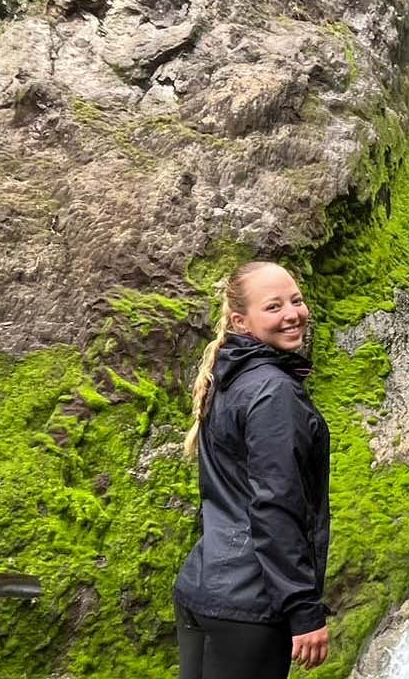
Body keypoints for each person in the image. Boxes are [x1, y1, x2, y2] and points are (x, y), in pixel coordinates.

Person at [173, 261, 332, 678]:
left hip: (203, 586)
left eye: (296, 300)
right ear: (241, 321)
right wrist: (303, 610)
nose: (292, 314)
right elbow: (274, 505)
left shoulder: (228, 377)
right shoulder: (273, 392)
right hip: (250, 604)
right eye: (274, 307)